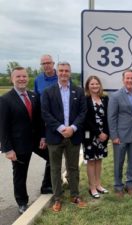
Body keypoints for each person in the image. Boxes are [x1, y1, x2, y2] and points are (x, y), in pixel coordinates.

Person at [41, 61, 87, 212]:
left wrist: (72, 128)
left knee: (73, 168)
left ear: (70, 72)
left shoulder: (78, 91)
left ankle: (75, 195)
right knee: (55, 168)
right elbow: (45, 113)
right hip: (55, 136)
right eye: (61, 70)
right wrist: (61, 128)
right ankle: (57, 198)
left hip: (73, 136)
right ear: (57, 72)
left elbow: (83, 112)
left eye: (66, 71)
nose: (63, 73)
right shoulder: (48, 91)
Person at [0, 67, 46, 214]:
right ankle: (22, 202)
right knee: (20, 175)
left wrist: (43, 136)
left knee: (53, 158)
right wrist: (7, 149)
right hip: (19, 145)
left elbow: (39, 120)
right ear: (12, 79)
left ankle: (47, 186)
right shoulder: (5, 100)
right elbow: (3, 127)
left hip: (37, 142)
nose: (22, 79)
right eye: (18, 76)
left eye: (24, 76)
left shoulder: (33, 96)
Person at [107, 69, 132, 198]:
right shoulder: (115, 96)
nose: (130, 80)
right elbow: (111, 117)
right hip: (120, 136)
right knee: (119, 162)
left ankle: (130, 185)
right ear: (123, 80)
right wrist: (114, 136)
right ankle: (118, 186)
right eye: (127, 78)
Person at [33, 54, 58, 194]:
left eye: (49, 62)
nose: (46, 65)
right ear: (41, 65)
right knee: (51, 154)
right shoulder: (38, 80)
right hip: (44, 121)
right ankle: (47, 184)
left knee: (58, 153)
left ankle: (54, 181)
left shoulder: (60, 77)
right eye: (44, 63)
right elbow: (36, 101)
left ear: (53, 63)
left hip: (60, 121)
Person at [83, 76, 109, 199]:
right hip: (90, 135)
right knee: (91, 161)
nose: (94, 86)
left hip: (103, 136)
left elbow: (108, 117)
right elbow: (86, 120)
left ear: (100, 85)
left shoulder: (105, 98)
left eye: (96, 83)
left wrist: (105, 133)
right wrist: (98, 133)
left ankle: (98, 184)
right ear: (88, 86)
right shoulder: (85, 99)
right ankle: (92, 187)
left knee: (99, 160)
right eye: (92, 84)